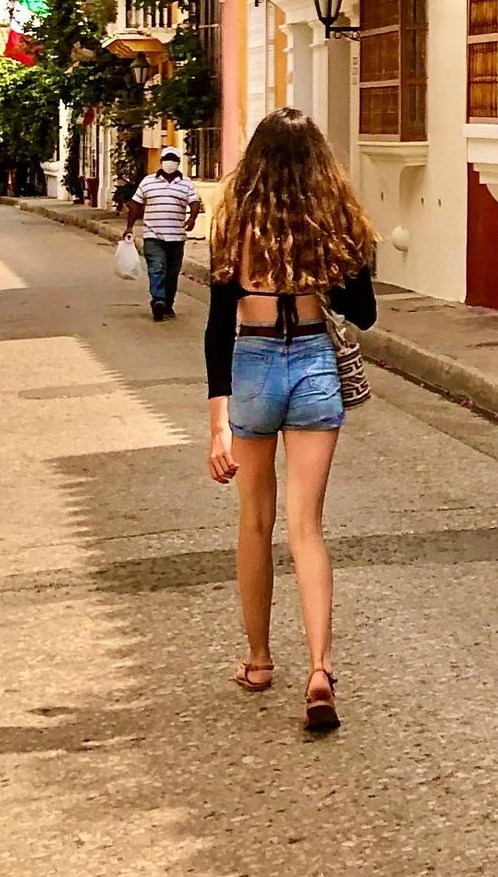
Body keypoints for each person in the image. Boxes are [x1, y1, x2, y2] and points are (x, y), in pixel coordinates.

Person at [204, 109, 377, 732]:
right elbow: (366, 312)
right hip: (312, 363)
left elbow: (217, 327)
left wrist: (217, 421)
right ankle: (320, 669)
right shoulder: (335, 225)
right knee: (308, 527)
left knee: (255, 522)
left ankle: (257, 660)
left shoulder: (235, 228)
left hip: (250, 366)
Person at [123, 145, 202, 321]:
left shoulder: (186, 184)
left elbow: (195, 202)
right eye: (168, 159)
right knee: (157, 267)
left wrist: (192, 218)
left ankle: (168, 303)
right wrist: (129, 227)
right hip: (153, 235)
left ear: (179, 163)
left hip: (176, 236)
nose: (170, 163)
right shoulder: (148, 182)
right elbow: (136, 205)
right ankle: (158, 299)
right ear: (161, 162)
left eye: (174, 160)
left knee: (172, 273)